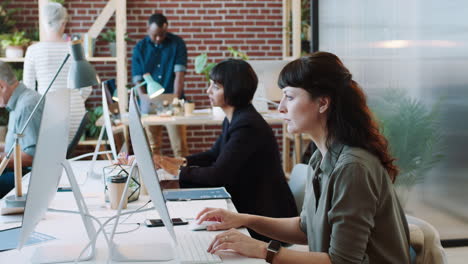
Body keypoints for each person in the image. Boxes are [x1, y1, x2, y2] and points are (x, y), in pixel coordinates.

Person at [195, 52, 411, 263]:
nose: (280, 107)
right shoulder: (320, 157)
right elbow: (305, 228)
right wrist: (244, 220)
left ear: (323, 103)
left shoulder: (353, 167)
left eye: (289, 97)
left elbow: (343, 260)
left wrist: (262, 250)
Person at [154, 59, 298, 242]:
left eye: (215, 87)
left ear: (232, 89)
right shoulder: (235, 118)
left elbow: (218, 175)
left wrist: (177, 172)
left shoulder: (247, 125)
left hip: (265, 218)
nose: (208, 91)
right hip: (251, 205)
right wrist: (178, 161)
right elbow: (214, 155)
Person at [23, 2, 91, 143]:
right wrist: (74, 100)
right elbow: (86, 88)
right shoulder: (76, 49)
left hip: (48, 113)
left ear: (44, 22)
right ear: (63, 23)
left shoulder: (33, 51)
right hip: (76, 115)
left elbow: (28, 90)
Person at [132, 13, 188, 157]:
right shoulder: (140, 48)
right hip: (150, 102)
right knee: (152, 147)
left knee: (179, 146)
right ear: (148, 30)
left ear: (166, 29)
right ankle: (155, 178)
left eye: (162, 35)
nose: (158, 38)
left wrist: (175, 98)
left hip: (171, 99)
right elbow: (138, 80)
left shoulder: (177, 44)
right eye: (154, 35)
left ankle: (185, 176)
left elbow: (179, 75)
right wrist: (144, 98)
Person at [0, 61, 43, 198]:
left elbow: (32, 156)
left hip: (25, 177)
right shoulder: (19, 102)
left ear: (1, 86)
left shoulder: (27, 106)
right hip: (18, 172)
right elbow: (18, 146)